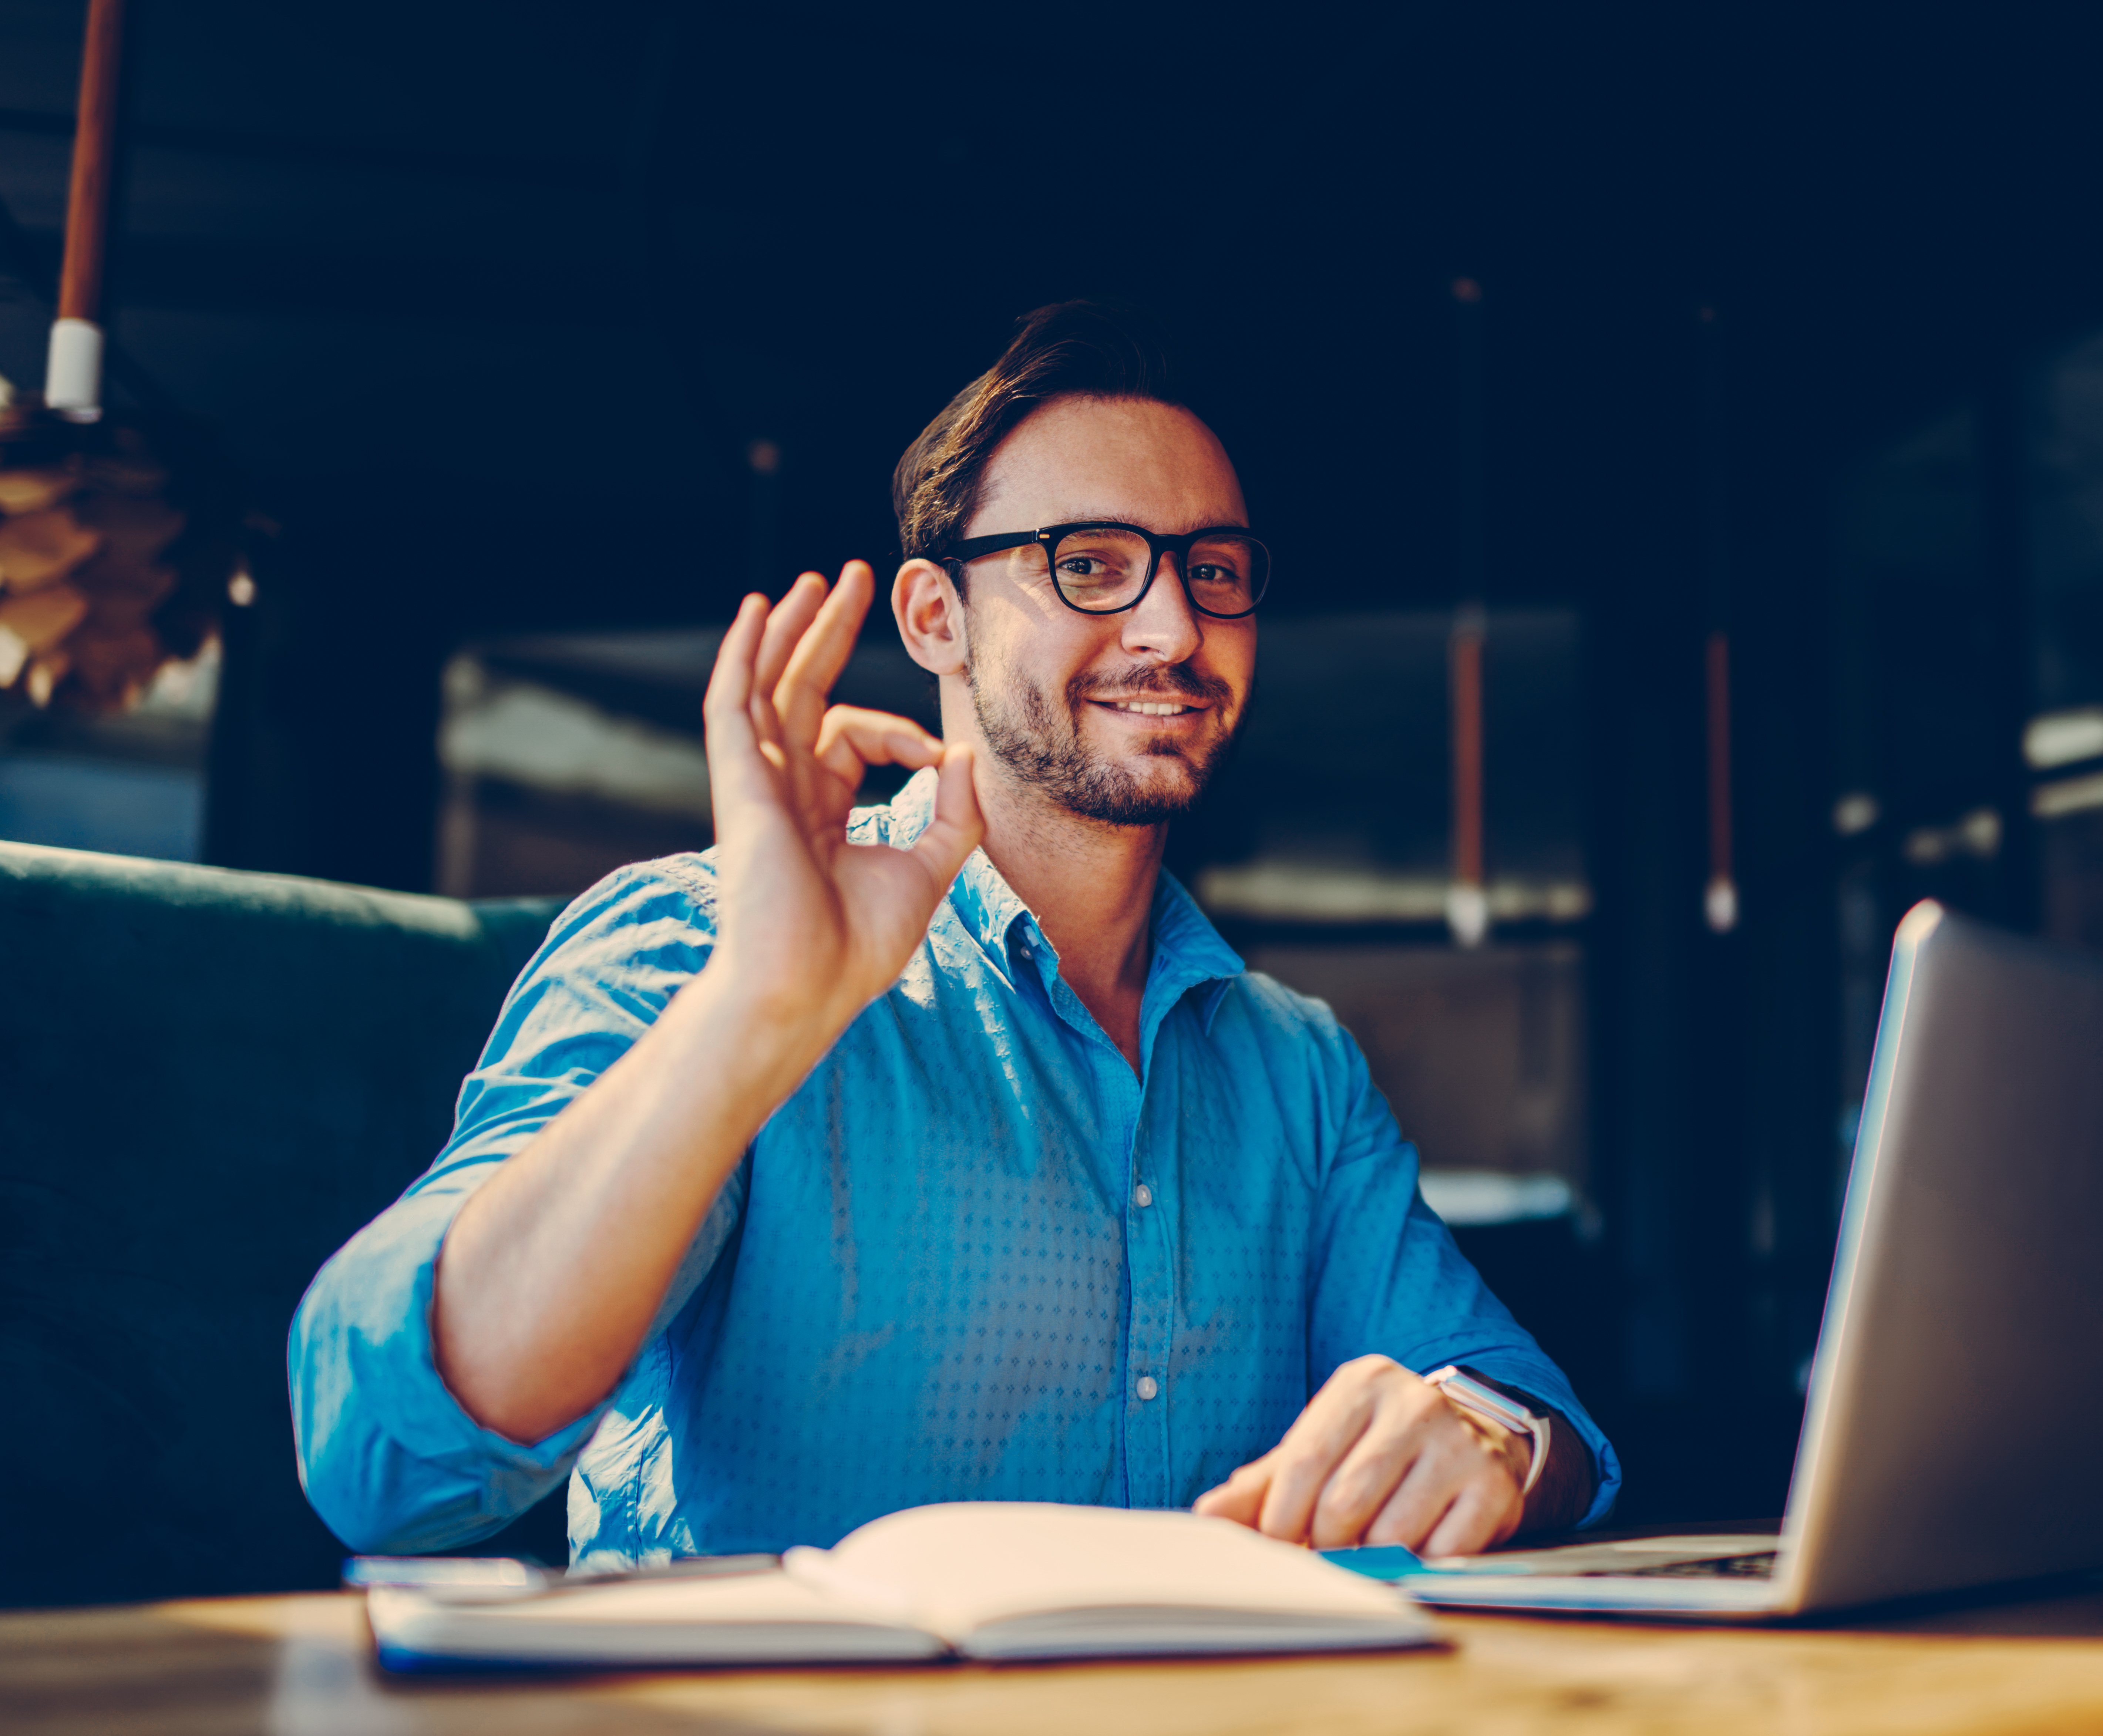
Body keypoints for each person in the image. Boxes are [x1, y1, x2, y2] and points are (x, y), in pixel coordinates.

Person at [290, 302, 1619, 1567]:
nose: (1172, 625)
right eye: (1089, 563)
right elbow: (384, 1463)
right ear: (937, 618)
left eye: (1213, 571)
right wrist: (752, 1008)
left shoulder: (1296, 1068)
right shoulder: (701, 941)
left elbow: (1537, 1413)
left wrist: (1485, 1438)